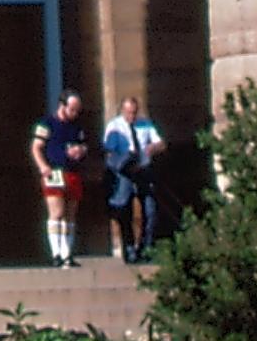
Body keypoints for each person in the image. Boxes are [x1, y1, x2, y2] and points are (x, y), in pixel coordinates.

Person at [101, 94, 166, 263]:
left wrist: (153, 147)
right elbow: (109, 152)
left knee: (150, 210)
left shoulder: (145, 124)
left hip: (143, 170)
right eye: (128, 112)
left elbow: (161, 143)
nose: (132, 116)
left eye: (134, 113)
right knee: (124, 210)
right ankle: (128, 247)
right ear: (122, 110)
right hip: (125, 171)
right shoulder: (114, 126)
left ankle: (146, 247)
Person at [30, 91, 93, 265]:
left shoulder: (77, 126)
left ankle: (67, 253)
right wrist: (43, 166)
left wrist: (80, 151)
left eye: (77, 110)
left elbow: (85, 145)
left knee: (70, 214)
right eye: (72, 109)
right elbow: (36, 147)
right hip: (54, 171)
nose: (74, 113)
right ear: (62, 106)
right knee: (56, 212)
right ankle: (56, 253)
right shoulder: (47, 123)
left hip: (72, 171)